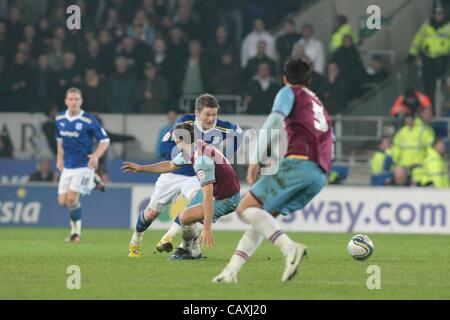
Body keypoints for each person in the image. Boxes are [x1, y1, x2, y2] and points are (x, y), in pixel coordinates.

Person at [213, 58, 333, 283]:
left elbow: (272, 122)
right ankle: (231, 271)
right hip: (319, 174)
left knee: (244, 209)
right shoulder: (317, 103)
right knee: (263, 219)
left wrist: (255, 159)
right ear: (308, 80)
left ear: (285, 78)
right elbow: (331, 139)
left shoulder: (289, 92)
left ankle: (289, 249)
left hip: (299, 163)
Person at [125, 94, 243, 257]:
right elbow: (169, 162)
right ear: (197, 113)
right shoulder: (187, 136)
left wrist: (207, 228)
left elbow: (208, 196)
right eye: (207, 114)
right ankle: (136, 241)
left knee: (190, 214)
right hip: (174, 176)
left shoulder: (202, 157)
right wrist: (141, 168)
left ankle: (189, 249)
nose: (211, 119)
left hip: (213, 187)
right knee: (153, 213)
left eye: (214, 115)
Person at [55, 87, 110, 242]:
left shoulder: (89, 119)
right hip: (67, 166)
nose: (73, 102)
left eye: (76, 99)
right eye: (71, 99)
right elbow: (59, 140)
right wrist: (59, 159)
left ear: (81, 101)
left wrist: (96, 156)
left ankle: (75, 234)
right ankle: (93, 180)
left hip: (83, 165)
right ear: (66, 101)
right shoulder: (59, 118)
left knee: (72, 200)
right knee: (62, 202)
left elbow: (105, 140)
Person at [409, 6, 450, 103]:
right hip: (427, 56)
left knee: (440, 80)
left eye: (441, 14)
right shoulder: (427, 25)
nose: (439, 16)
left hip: (442, 57)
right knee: (427, 81)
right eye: (437, 14)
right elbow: (418, 39)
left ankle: (439, 96)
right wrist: (412, 53)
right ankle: (429, 98)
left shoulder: (448, 26)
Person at [391, 109, 435, 186]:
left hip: (419, 167)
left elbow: (430, 149)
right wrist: (396, 163)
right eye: (406, 119)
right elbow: (396, 148)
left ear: (414, 119)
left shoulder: (424, 131)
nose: (408, 121)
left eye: (410, 119)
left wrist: (427, 162)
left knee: (418, 189)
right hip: (404, 167)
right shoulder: (401, 132)